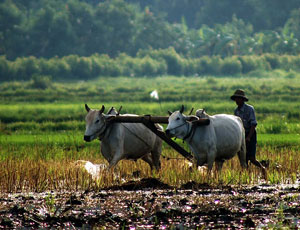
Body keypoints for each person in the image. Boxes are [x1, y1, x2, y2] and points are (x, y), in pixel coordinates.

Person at [231, 89, 266, 175]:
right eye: (236, 99)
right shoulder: (236, 111)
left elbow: (253, 124)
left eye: (238, 98)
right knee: (243, 159)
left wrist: (249, 137)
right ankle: (247, 175)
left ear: (243, 100)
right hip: (241, 135)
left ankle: (262, 169)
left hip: (250, 133)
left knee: (251, 157)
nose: (237, 100)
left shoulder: (249, 109)